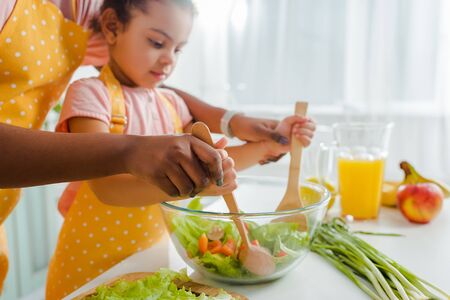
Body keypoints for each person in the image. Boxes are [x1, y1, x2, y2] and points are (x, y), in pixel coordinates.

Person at [0, 0, 306, 292]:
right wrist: (197, 185)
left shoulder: (172, 103)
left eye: (178, 49)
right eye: (157, 43)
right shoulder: (89, 95)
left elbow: (218, 164)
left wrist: (272, 145)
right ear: (111, 27)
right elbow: (108, 190)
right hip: (89, 270)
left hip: (151, 263)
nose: (169, 59)